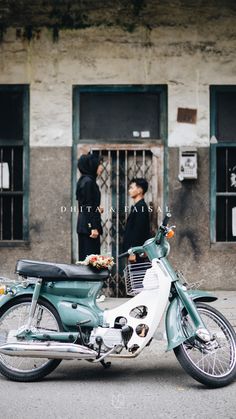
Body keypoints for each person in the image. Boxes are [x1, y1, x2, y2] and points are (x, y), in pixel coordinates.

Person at [76, 153, 103, 261]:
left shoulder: (84, 180)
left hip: (84, 226)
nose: (101, 167)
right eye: (99, 164)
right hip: (88, 229)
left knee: (88, 260)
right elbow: (87, 206)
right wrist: (93, 227)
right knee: (90, 261)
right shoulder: (89, 182)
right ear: (92, 165)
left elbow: (86, 204)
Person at [123, 178, 150, 263]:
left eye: (131, 188)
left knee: (137, 275)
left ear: (139, 190)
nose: (129, 190)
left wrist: (133, 252)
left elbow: (138, 231)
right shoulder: (138, 206)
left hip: (137, 252)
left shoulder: (140, 207)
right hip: (136, 252)